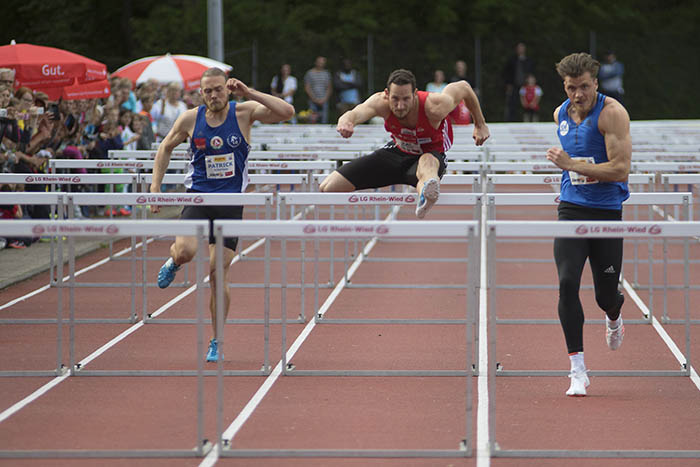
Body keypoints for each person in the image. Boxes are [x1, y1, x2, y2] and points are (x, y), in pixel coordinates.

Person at [149, 67, 294, 362]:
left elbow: (287, 111)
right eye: (208, 91)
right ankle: (174, 260)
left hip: (230, 203)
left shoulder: (243, 112)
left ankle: (217, 339)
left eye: (218, 89)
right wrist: (155, 187)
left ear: (227, 90)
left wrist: (249, 92)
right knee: (187, 252)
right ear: (201, 94)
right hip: (199, 198)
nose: (214, 95)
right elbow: (165, 147)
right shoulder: (191, 118)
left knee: (218, 273)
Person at [545, 52, 631, 397]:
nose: (577, 95)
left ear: (596, 82)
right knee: (567, 282)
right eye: (570, 88)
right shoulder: (560, 114)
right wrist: (569, 168)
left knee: (604, 295)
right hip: (571, 208)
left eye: (583, 87)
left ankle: (614, 313)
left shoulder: (612, 113)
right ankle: (577, 370)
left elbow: (620, 169)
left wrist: (571, 165)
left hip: (607, 212)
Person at [320, 69, 490, 218]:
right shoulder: (381, 102)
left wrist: (480, 124)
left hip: (429, 155)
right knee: (328, 187)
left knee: (427, 163)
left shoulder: (434, 106)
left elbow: (463, 87)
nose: (400, 106)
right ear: (387, 94)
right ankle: (425, 188)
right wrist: (345, 122)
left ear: (415, 94)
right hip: (397, 152)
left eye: (406, 99)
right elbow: (354, 113)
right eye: (395, 99)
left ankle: (426, 194)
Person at [503, 42, 535, 122]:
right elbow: (507, 73)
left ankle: (528, 120)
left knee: (528, 104)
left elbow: (531, 72)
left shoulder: (528, 61)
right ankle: (511, 120)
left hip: (526, 86)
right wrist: (508, 84)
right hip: (515, 85)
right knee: (513, 103)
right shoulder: (512, 61)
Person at [303, 56, 332, 124]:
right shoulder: (310, 73)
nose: (321, 64)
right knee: (312, 120)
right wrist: (314, 99)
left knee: (324, 120)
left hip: (324, 100)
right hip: (312, 100)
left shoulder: (326, 74)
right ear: (316, 63)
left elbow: (329, 87)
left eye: (322, 62)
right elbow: (307, 87)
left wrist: (325, 99)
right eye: (319, 62)